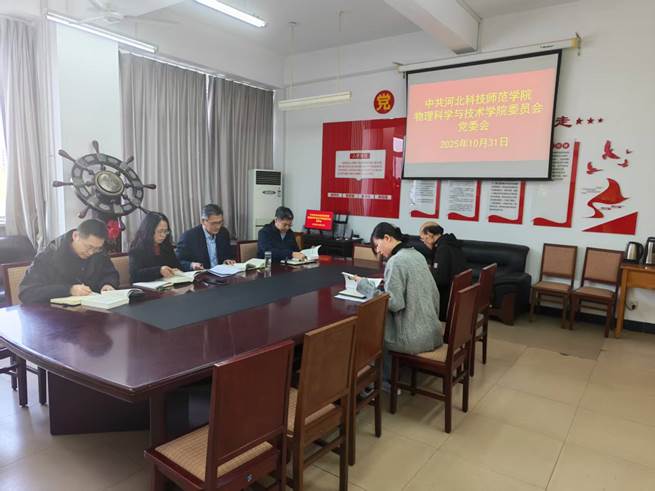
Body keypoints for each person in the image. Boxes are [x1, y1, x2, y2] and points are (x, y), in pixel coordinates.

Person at [356, 222, 442, 384]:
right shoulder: (417, 254)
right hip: (432, 330)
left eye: (377, 245)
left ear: (387, 238)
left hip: (413, 337)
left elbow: (394, 304)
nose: (378, 251)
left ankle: (384, 381)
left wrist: (364, 286)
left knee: (372, 329)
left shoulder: (396, 261)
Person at [19, 218, 119, 304]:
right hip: (56, 315)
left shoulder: (98, 251)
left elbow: (110, 274)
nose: (91, 252)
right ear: (75, 236)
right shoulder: (49, 255)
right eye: (88, 247)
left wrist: (108, 284)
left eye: (96, 248)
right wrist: (69, 290)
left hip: (95, 310)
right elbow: (27, 293)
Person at [419, 221, 468, 322]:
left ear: (430, 235)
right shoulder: (451, 244)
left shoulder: (443, 249)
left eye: (423, 239)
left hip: (446, 303)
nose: (424, 242)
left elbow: (440, 280)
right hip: (458, 299)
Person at [176, 204, 235, 271]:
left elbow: (228, 255)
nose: (218, 226)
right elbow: (178, 262)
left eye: (220, 222)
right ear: (203, 221)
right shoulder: (188, 237)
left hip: (222, 274)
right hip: (202, 274)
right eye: (213, 223)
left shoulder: (223, 233)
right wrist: (192, 265)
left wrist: (227, 260)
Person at [129, 212, 183, 283]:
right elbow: (135, 275)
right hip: (147, 287)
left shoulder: (166, 245)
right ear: (149, 230)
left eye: (165, 231)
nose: (163, 235)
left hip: (168, 285)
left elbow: (177, 266)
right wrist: (159, 270)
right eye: (160, 231)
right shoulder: (137, 248)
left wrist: (176, 271)